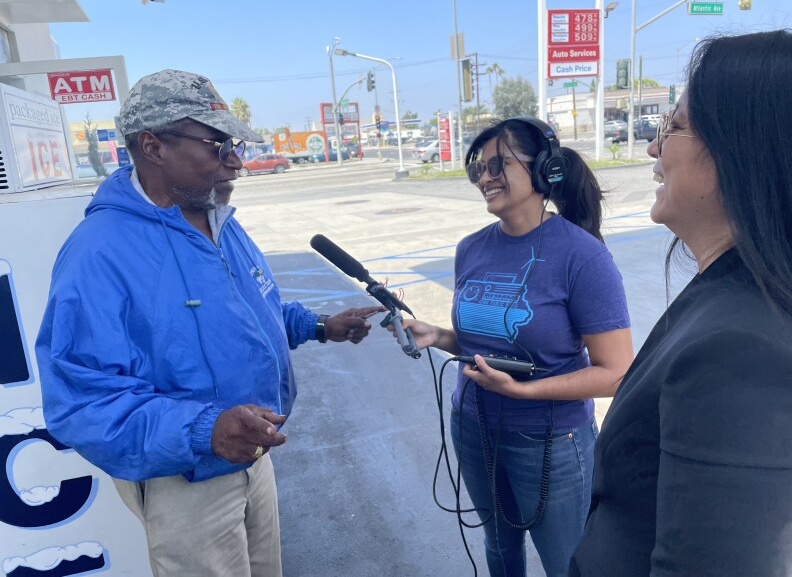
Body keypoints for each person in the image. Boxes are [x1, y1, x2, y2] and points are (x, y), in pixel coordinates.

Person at [35, 69, 383, 577]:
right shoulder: (99, 252)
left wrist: (318, 325)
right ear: (152, 146)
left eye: (234, 144)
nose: (237, 162)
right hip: (185, 482)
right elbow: (83, 401)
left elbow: (253, 313)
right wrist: (204, 430)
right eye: (217, 146)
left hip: (252, 457)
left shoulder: (220, 221)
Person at [570, 30, 792, 576]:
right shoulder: (734, 294)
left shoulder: (739, 348)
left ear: (741, 146)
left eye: (673, 127)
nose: (652, 148)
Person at [395, 117, 633, 576]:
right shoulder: (470, 249)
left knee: (567, 563)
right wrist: (438, 336)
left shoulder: (582, 255)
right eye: (478, 170)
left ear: (544, 169)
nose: (485, 178)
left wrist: (524, 392)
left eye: (499, 165)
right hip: (473, 427)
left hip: (549, 441)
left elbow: (616, 371)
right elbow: (484, 341)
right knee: (499, 549)